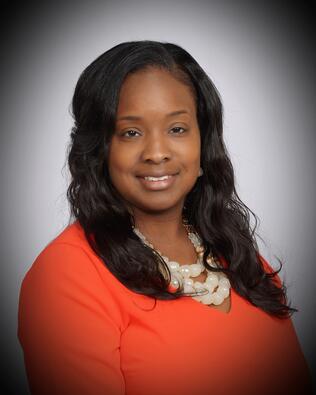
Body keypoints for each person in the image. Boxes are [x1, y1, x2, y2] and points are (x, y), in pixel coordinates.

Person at [18, 40, 313, 395]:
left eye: (177, 129)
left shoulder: (237, 254)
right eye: (131, 133)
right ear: (99, 149)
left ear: (204, 142)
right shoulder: (67, 275)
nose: (157, 153)